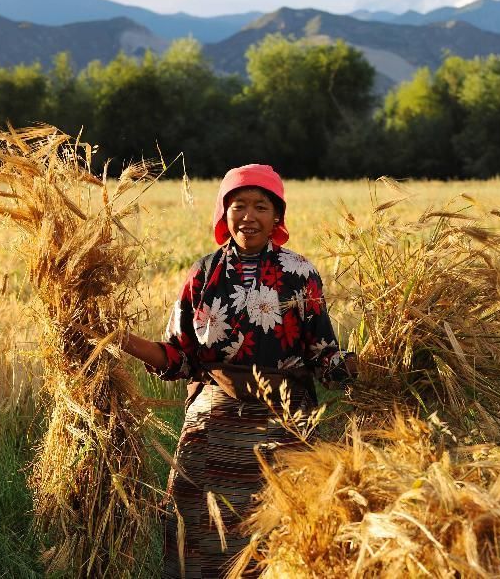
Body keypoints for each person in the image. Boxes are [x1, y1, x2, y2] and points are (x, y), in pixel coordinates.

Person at [122, 164, 355, 577]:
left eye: (261, 206)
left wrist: (369, 365)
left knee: (285, 539)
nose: (249, 216)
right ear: (223, 213)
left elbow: (324, 355)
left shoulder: (300, 274)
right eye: (239, 205)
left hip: (285, 425)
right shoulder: (203, 274)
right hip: (213, 429)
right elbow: (179, 357)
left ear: (277, 216)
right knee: (199, 535)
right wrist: (120, 340)